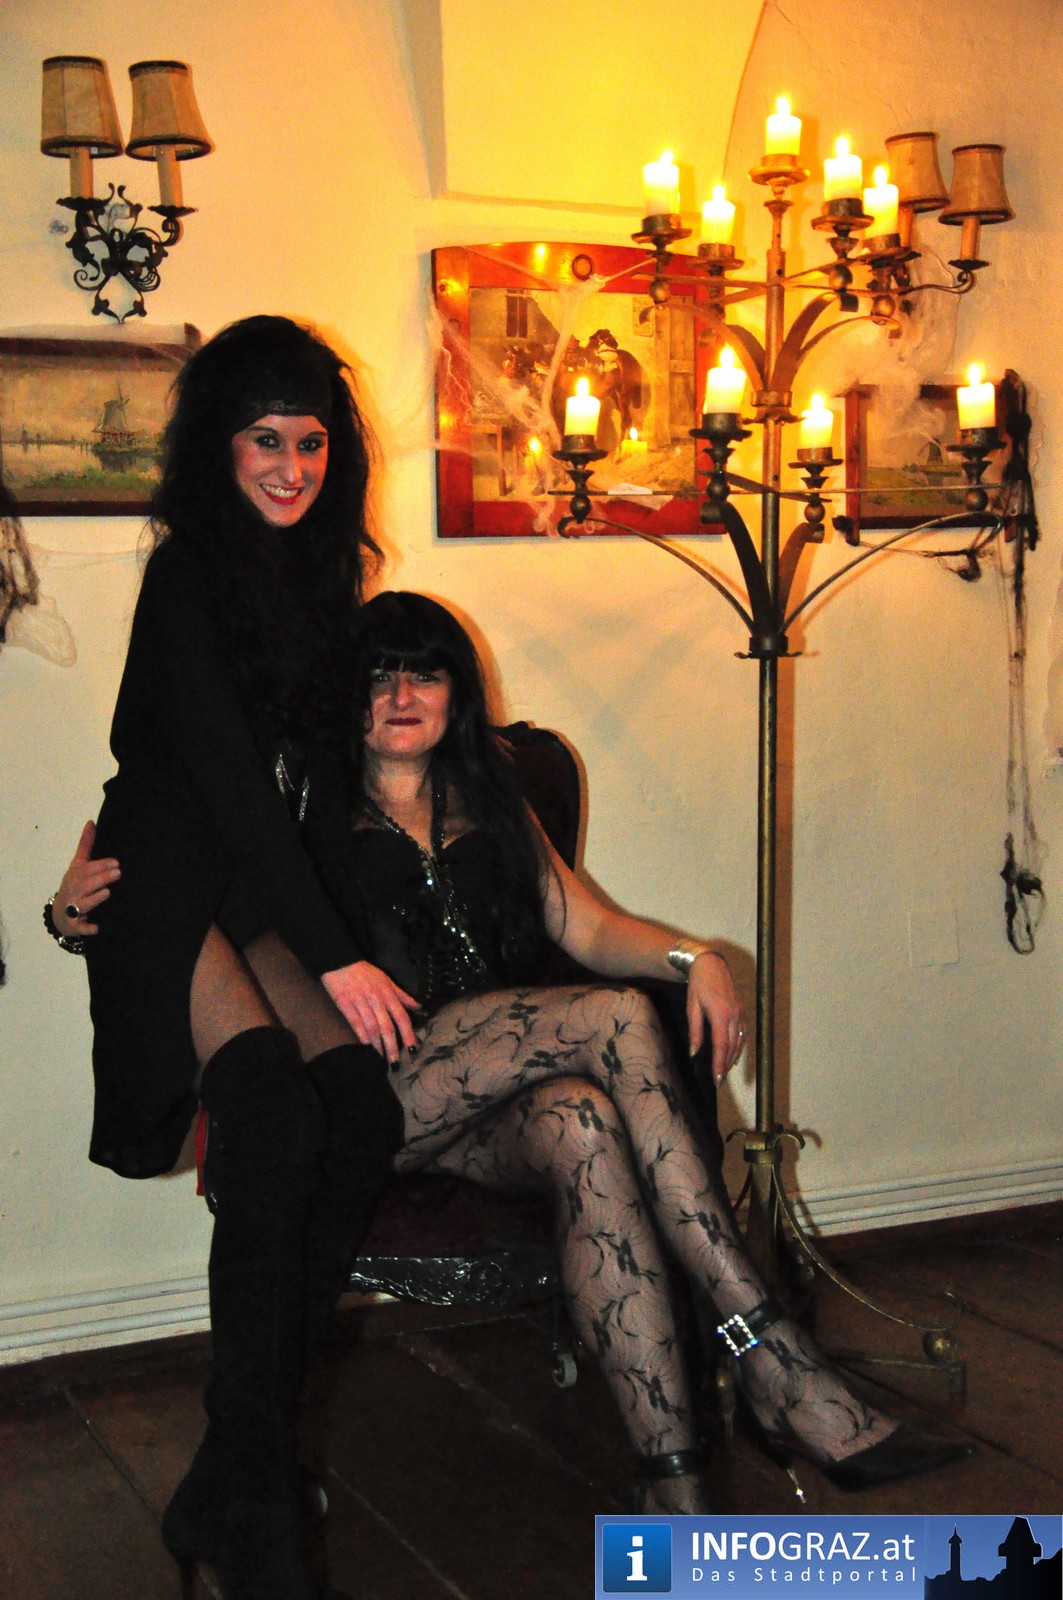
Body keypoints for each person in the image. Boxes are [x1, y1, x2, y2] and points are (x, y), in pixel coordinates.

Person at [55, 588, 974, 1518]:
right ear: (344, 695)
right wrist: (68, 916)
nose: (402, 696)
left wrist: (694, 958)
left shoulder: (490, 795)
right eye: (378, 677)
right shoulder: (296, 803)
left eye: (425, 674)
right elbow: (171, 894)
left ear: (457, 691)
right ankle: (765, 1344)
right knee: (615, 1018)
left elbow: (590, 927)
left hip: (492, 1104)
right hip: (368, 1094)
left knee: (581, 1122)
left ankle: (674, 1490)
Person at [46, 316, 405, 1600]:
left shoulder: (324, 576)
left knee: (357, 1109)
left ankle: (225, 1472)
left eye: (310, 442)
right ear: (220, 445)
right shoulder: (186, 572)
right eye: (266, 441)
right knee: (269, 1108)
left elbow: (313, 792)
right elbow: (225, 786)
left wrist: (346, 930)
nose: (291, 467)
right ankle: (257, 1522)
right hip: (164, 877)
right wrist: (337, 960)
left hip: (254, 887)